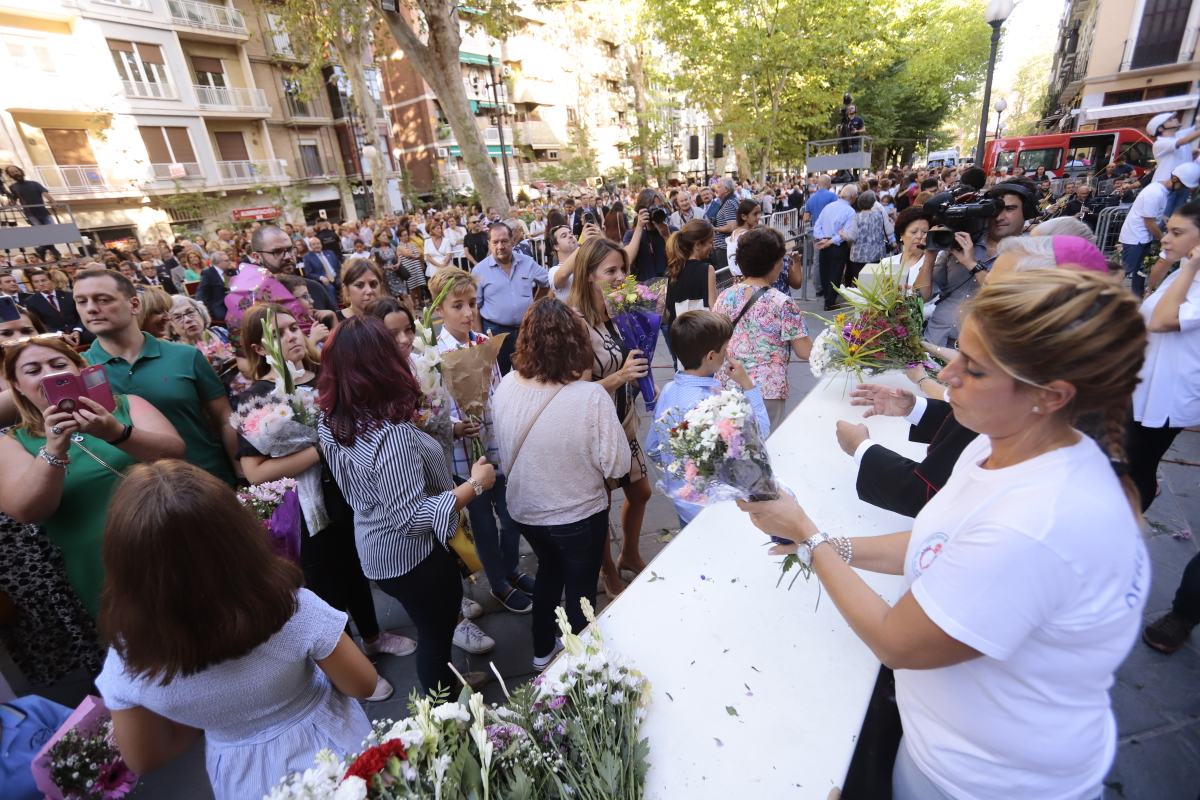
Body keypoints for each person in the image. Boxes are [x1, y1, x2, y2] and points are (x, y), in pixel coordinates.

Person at [740, 269, 1149, 800]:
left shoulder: (1037, 525)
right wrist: (831, 545)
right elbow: (937, 543)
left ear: (1049, 396)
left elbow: (895, 641)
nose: (948, 372)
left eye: (974, 369)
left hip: (986, 780)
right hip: (944, 744)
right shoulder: (998, 441)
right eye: (958, 352)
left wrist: (809, 535)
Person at [94, 461, 376, 800]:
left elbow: (144, 757)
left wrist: (213, 717)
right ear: (237, 534)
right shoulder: (290, 607)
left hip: (240, 771)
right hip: (330, 746)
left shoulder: (128, 654)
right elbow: (363, 683)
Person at [235, 304, 410, 699]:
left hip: (350, 493)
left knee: (357, 566)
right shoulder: (258, 398)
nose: (293, 336)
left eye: (294, 327)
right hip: (304, 509)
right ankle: (348, 664)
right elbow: (255, 470)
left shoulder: (324, 377)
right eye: (279, 333)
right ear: (259, 349)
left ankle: (373, 635)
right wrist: (322, 448)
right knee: (326, 584)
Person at [318, 317, 495, 692]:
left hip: (376, 547)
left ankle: (448, 680)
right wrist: (475, 487)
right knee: (436, 632)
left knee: (430, 625)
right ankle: (445, 705)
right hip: (413, 558)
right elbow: (412, 518)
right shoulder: (390, 436)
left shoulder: (332, 418)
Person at [0, 337, 184, 616]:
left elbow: (175, 454)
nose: (50, 374)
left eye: (59, 364)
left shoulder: (126, 406)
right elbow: (26, 510)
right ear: (16, 385)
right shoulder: (12, 442)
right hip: (102, 565)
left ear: (80, 369)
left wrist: (115, 432)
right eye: (33, 370)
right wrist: (54, 449)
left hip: (173, 534)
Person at [492, 298, 630, 669]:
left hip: (526, 511)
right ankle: (583, 665)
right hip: (578, 514)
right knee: (582, 589)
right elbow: (618, 461)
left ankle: (542, 651)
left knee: (549, 572)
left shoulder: (505, 385)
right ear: (576, 342)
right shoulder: (589, 397)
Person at [429, 267, 533, 616]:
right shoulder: (431, 354)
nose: (467, 312)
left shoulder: (482, 342)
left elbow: (498, 389)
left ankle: (512, 569)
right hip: (463, 453)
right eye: (457, 305)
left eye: (472, 303)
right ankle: (498, 582)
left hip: (494, 441)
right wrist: (455, 427)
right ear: (439, 309)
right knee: (483, 522)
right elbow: (430, 407)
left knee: (512, 512)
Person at [76, 269, 238, 485]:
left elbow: (224, 419)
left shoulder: (185, 356)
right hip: (132, 496)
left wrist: (242, 475)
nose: (91, 309)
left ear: (134, 305)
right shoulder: (78, 369)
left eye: (103, 299)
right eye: (81, 301)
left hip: (207, 479)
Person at [567, 237, 651, 594]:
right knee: (598, 508)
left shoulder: (620, 310)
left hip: (624, 421)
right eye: (611, 271)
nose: (620, 277)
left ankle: (630, 554)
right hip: (594, 432)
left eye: (623, 269)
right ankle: (608, 574)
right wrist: (620, 376)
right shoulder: (575, 323)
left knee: (642, 492)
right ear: (588, 275)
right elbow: (575, 396)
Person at [648, 310, 768, 525]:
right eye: (724, 349)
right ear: (711, 356)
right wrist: (748, 385)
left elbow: (653, 447)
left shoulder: (667, 390)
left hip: (684, 503)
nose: (728, 354)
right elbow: (761, 433)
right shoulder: (716, 403)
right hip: (714, 509)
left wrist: (678, 472)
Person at [713, 227, 812, 430]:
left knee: (733, 449)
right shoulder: (782, 303)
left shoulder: (725, 296)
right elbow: (805, 351)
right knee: (765, 448)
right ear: (775, 264)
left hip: (728, 385)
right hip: (767, 390)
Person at [922, 179, 1036, 345]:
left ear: (1027, 212)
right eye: (995, 210)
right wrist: (929, 257)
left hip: (978, 354)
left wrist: (972, 264)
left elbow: (1010, 301)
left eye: (1010, 209)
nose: (1000, 217)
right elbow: (922, 296)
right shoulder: (961, 241)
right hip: (933, 342)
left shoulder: (1031, 253)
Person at [472, 222, 550, 375]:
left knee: (529, 375)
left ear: (512, 241)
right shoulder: (479, 270)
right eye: (495, 242)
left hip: (525, 331)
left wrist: (535, 303)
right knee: (498, 376)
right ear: (489, 244)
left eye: (504, 241)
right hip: (495, 333)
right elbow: (475, 307)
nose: (500, 246)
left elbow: (548, 282)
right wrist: (480, 340)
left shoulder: (527, 262)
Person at [1118, 163, 1200, 297]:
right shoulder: (1155, 193)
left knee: (1138, 272)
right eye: (1183, 186)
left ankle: (1135, 298)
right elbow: (1150, 223)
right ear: (1174, 180)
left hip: (1141, 237)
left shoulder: (1160, 190)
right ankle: (1105, 294)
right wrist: (1164, 239)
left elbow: (1156, 216)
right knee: (1125, 271)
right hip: (1136, 238)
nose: (1182, 190)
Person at [664, 219, 717, 332]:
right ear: (698, 244)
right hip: (700, 333)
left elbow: (668, 311)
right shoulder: (707, 269)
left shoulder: (672, 270)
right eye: (710, 242)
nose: (713, 246)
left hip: (676, 335)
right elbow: (714, 309)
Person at [813, 183, 859, 310]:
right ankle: (830, 301)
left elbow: (817, 225)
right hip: (837, 246)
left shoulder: (829, 207)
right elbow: (847, 233)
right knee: (835, 272)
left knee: (825, 271)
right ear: (853, 197)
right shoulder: (850, 211)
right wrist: (829, 240)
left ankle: (828, 299)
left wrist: (823, 238)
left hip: (826, 243)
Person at [841, 191, 890, 287]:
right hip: (877, 254)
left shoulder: (856, 217)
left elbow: (852, 236)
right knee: (875, 283)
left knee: (860, 283)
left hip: (859, 256)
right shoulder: (879, 215)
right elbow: (888, 230)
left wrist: (843, 234)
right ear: (873, 202)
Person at [23, 269, 86, 339]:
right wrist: (60, 334)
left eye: (43, 280)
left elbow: (82, 314)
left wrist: (77, 330)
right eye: (36, 282)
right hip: (55, 335)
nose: (41, 284)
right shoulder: (31, 302)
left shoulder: (69, 296)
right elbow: (40, 324)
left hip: (79, 331)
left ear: (51, 280)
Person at [195, 250, 238, 325]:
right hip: (218, 302)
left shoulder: (230, 271)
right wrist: (199, 302)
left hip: (233, 300)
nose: (229, 262)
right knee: (222, 315)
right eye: (226, 260)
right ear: (218, 263)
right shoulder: (208, 273)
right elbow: (202, 289)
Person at [710, 178, 740, 271]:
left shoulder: (729, 203)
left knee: (725, 277)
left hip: (724, 247)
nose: (716, 189)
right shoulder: (730, 200)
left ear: (726, 189)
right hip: (725, 246)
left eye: (719, 187)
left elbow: (732, 227)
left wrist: (714, 228)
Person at [726, 199, 762, 278]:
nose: (759, 217)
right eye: (755, 214)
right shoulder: (747, 235)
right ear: (743, 216)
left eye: (759, 213)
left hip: (739, 279)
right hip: (749, 279)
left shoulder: (735, 232)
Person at [301, 237, 340, 307]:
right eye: (313, 244)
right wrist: (320, 277)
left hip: (337, 277)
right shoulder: (307, 257)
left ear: (321, 244)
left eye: (318, 243)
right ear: (310, 246)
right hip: (323, 281)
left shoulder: (330, 253)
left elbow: (338, 266)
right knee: (330, 288)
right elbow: (308, 274)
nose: (316, 246)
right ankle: (336, 309)